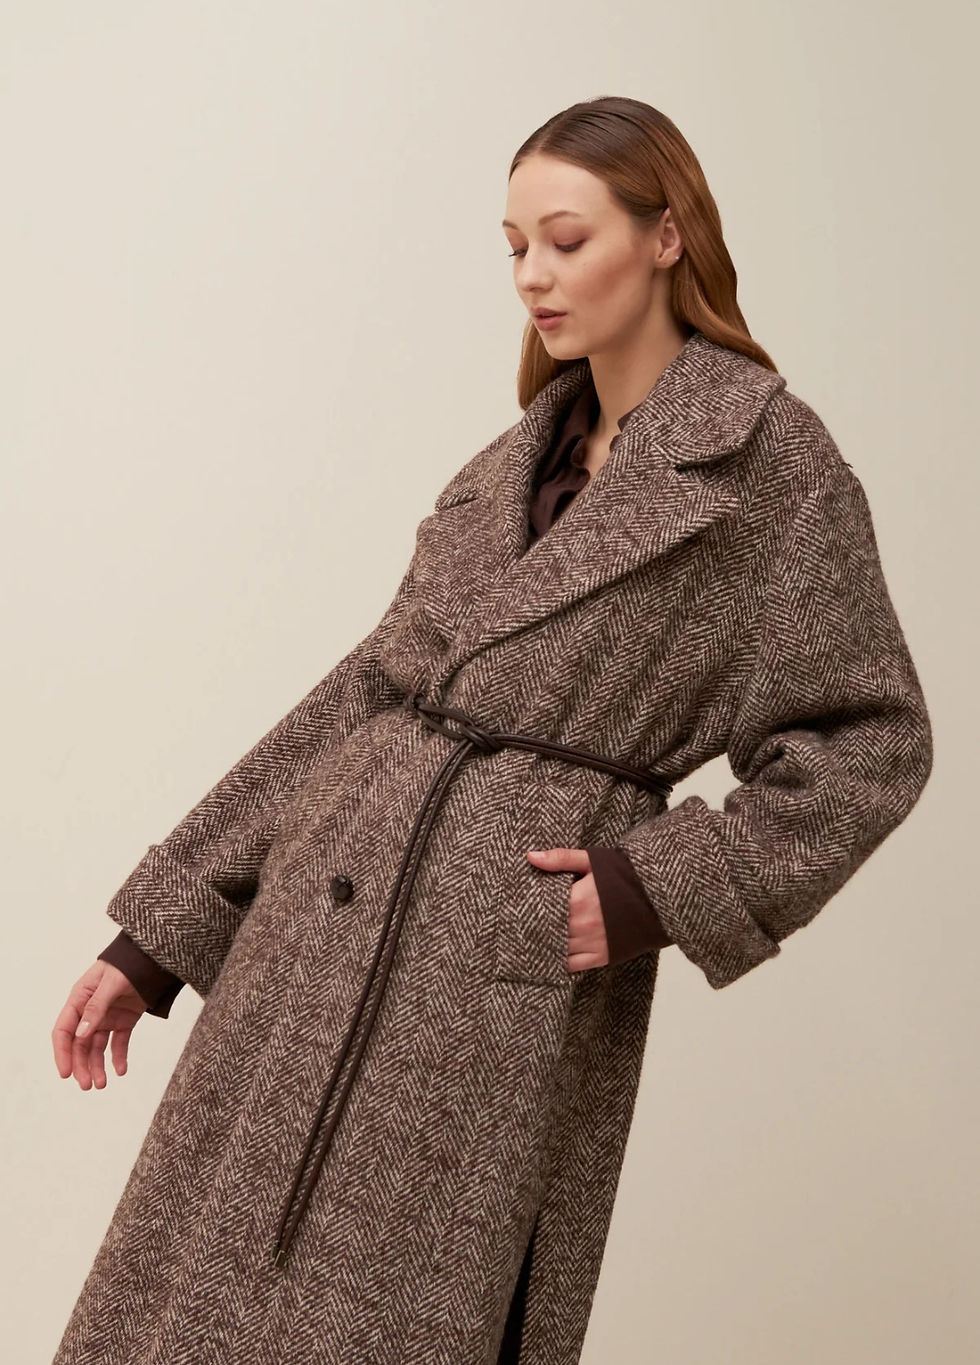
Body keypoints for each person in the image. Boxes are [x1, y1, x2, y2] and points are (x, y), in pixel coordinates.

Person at [51, 96, 933, 1365]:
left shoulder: (765, 467)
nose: (532, 276)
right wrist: (157, 940)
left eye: (565, 241)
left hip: (490, 986)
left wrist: (653, 889)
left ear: (666, 235)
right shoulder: (510, 464)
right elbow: (364, 702)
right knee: (191, 1306)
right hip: (303, 953)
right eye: (514, 247)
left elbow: (867, 740)